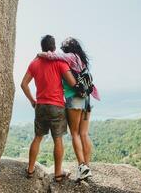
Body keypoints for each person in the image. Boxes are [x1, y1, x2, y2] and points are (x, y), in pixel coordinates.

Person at [38, 37, 100, 180]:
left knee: (75, 134)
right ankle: (86, 167)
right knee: (84, 134)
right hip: (86, 99)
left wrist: (39, 54)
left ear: (67, 49)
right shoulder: (81, 59)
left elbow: (52, 55)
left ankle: (82, 166)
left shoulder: (70, 57)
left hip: (74, 99)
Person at [21, 35, 77, 182]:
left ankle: (30, 169)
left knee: (38, 137)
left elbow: (23, 84)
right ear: (54, 48)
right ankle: (58, 174)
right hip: (57, 106)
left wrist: (33, 101)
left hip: (41, 105)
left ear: (42, 47)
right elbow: (72, 83)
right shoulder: (59, 62)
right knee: (58, 139)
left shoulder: (34, 63)